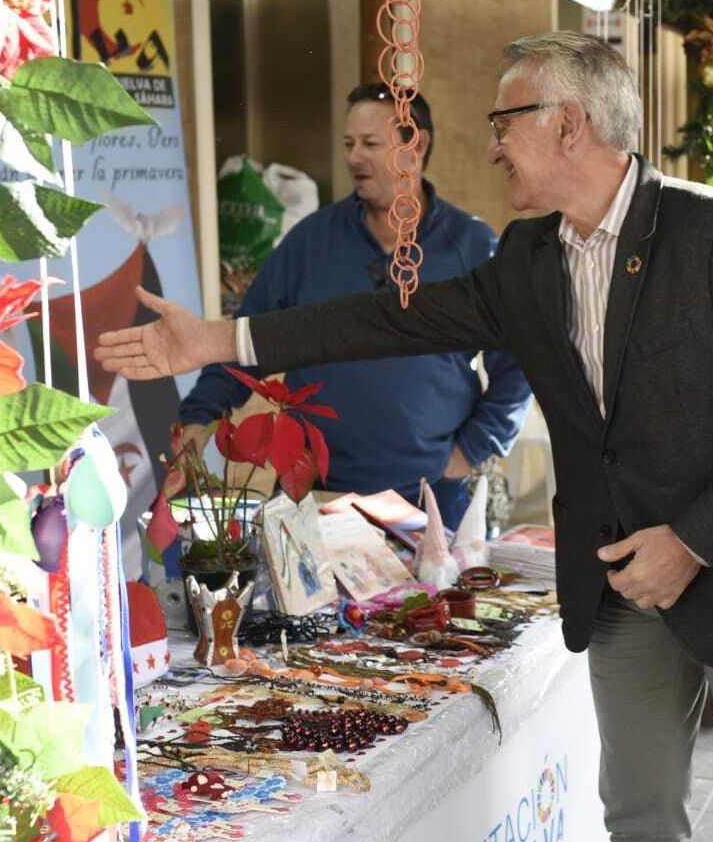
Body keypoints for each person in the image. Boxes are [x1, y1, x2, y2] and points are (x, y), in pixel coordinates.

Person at [97, 31, 713, 842]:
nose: (489, 148)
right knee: (640, 835)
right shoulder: (526, 259)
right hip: (620, 592)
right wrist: (219, 340)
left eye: (504, 123)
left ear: (569, 124)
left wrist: (691, 539)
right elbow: (387, 320)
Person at [177, 85, 532, 526]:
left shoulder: (473, 244)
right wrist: (199, 415)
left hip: (433, 495)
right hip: (316, 491)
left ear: (415, 145)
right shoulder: (310, 242)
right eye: (349, 144)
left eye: (370, 144)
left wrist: (470, 450)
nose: (354, 158)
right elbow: (245, 339)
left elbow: (520, 362)